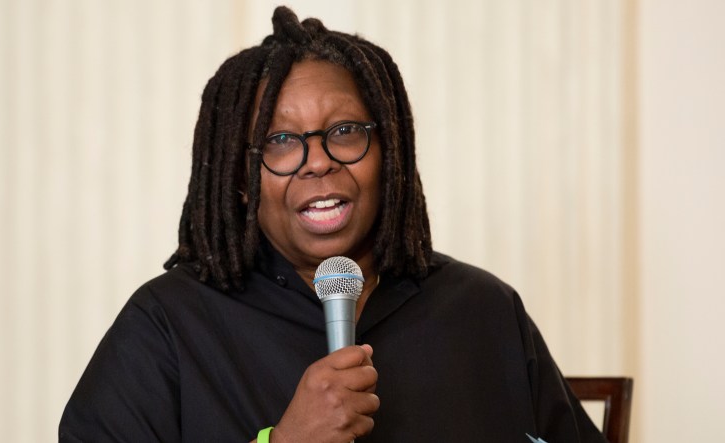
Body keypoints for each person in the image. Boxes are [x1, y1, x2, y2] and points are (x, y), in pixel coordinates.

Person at [60, 6, 606, 443]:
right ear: (243, 180)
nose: (318, 161)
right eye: (280, 141)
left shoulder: (482, 308)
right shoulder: (168, 325)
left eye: (344, 130)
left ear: (388, 153)